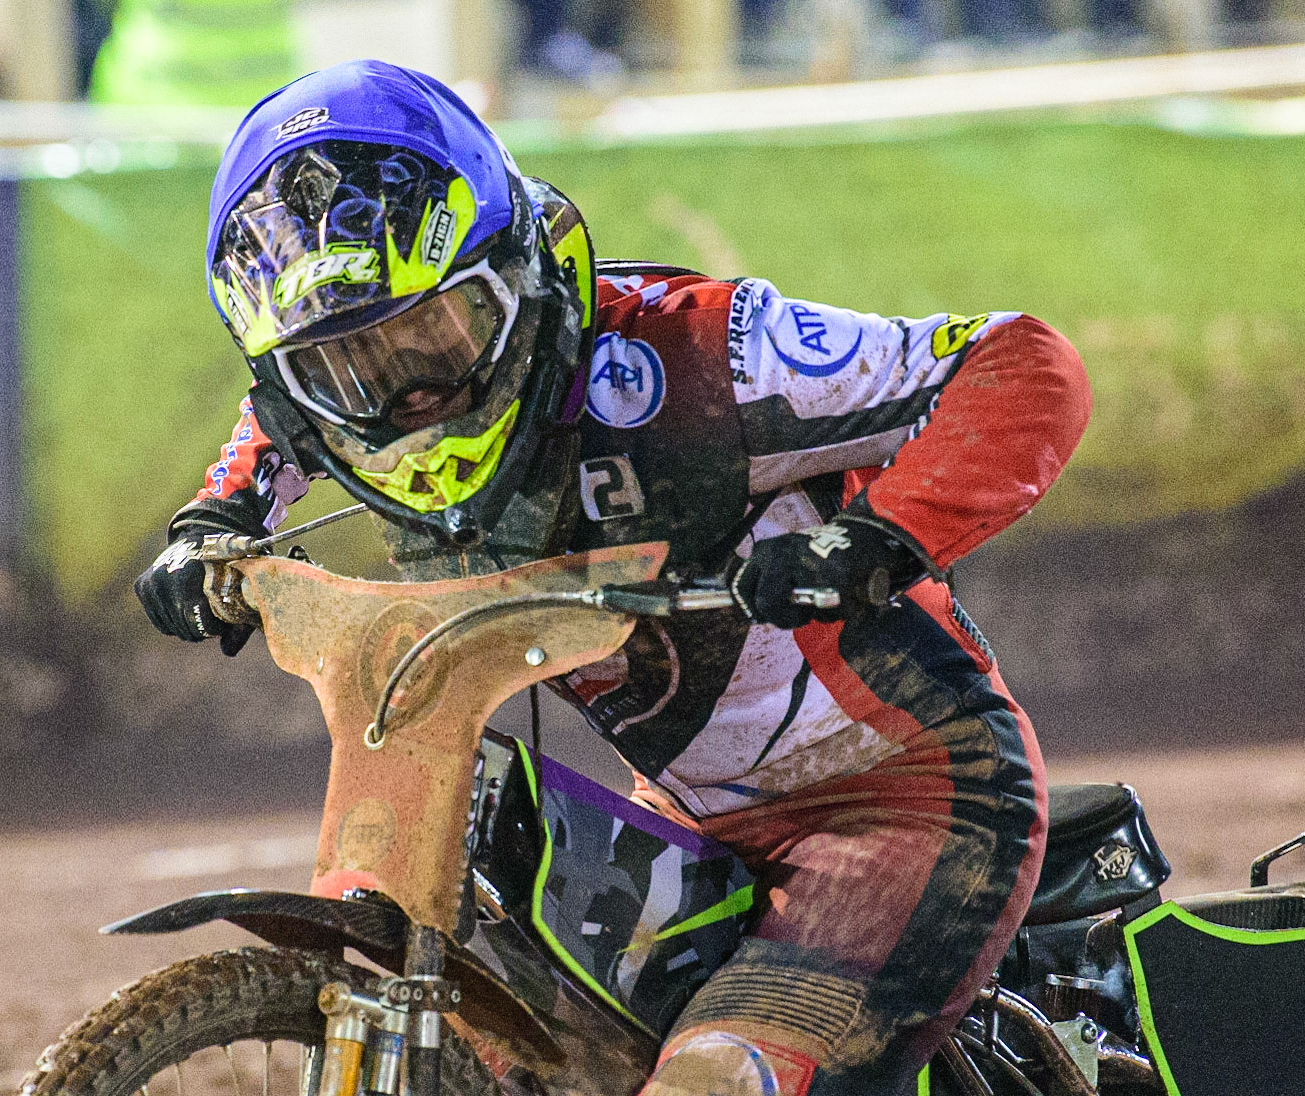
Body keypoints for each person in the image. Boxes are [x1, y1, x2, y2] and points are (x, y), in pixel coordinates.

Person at [135, 59, 1089, 1096]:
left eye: (431, 334)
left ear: (508, 277)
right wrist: (212, 525)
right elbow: (269, 426)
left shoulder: (700, 353)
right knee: (513, 1054)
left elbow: (1019, 361)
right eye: (352, 367)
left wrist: (878, 539)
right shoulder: (318, 403)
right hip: (682, 817)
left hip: (905, 800)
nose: (404, 392)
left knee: (709, 1084)